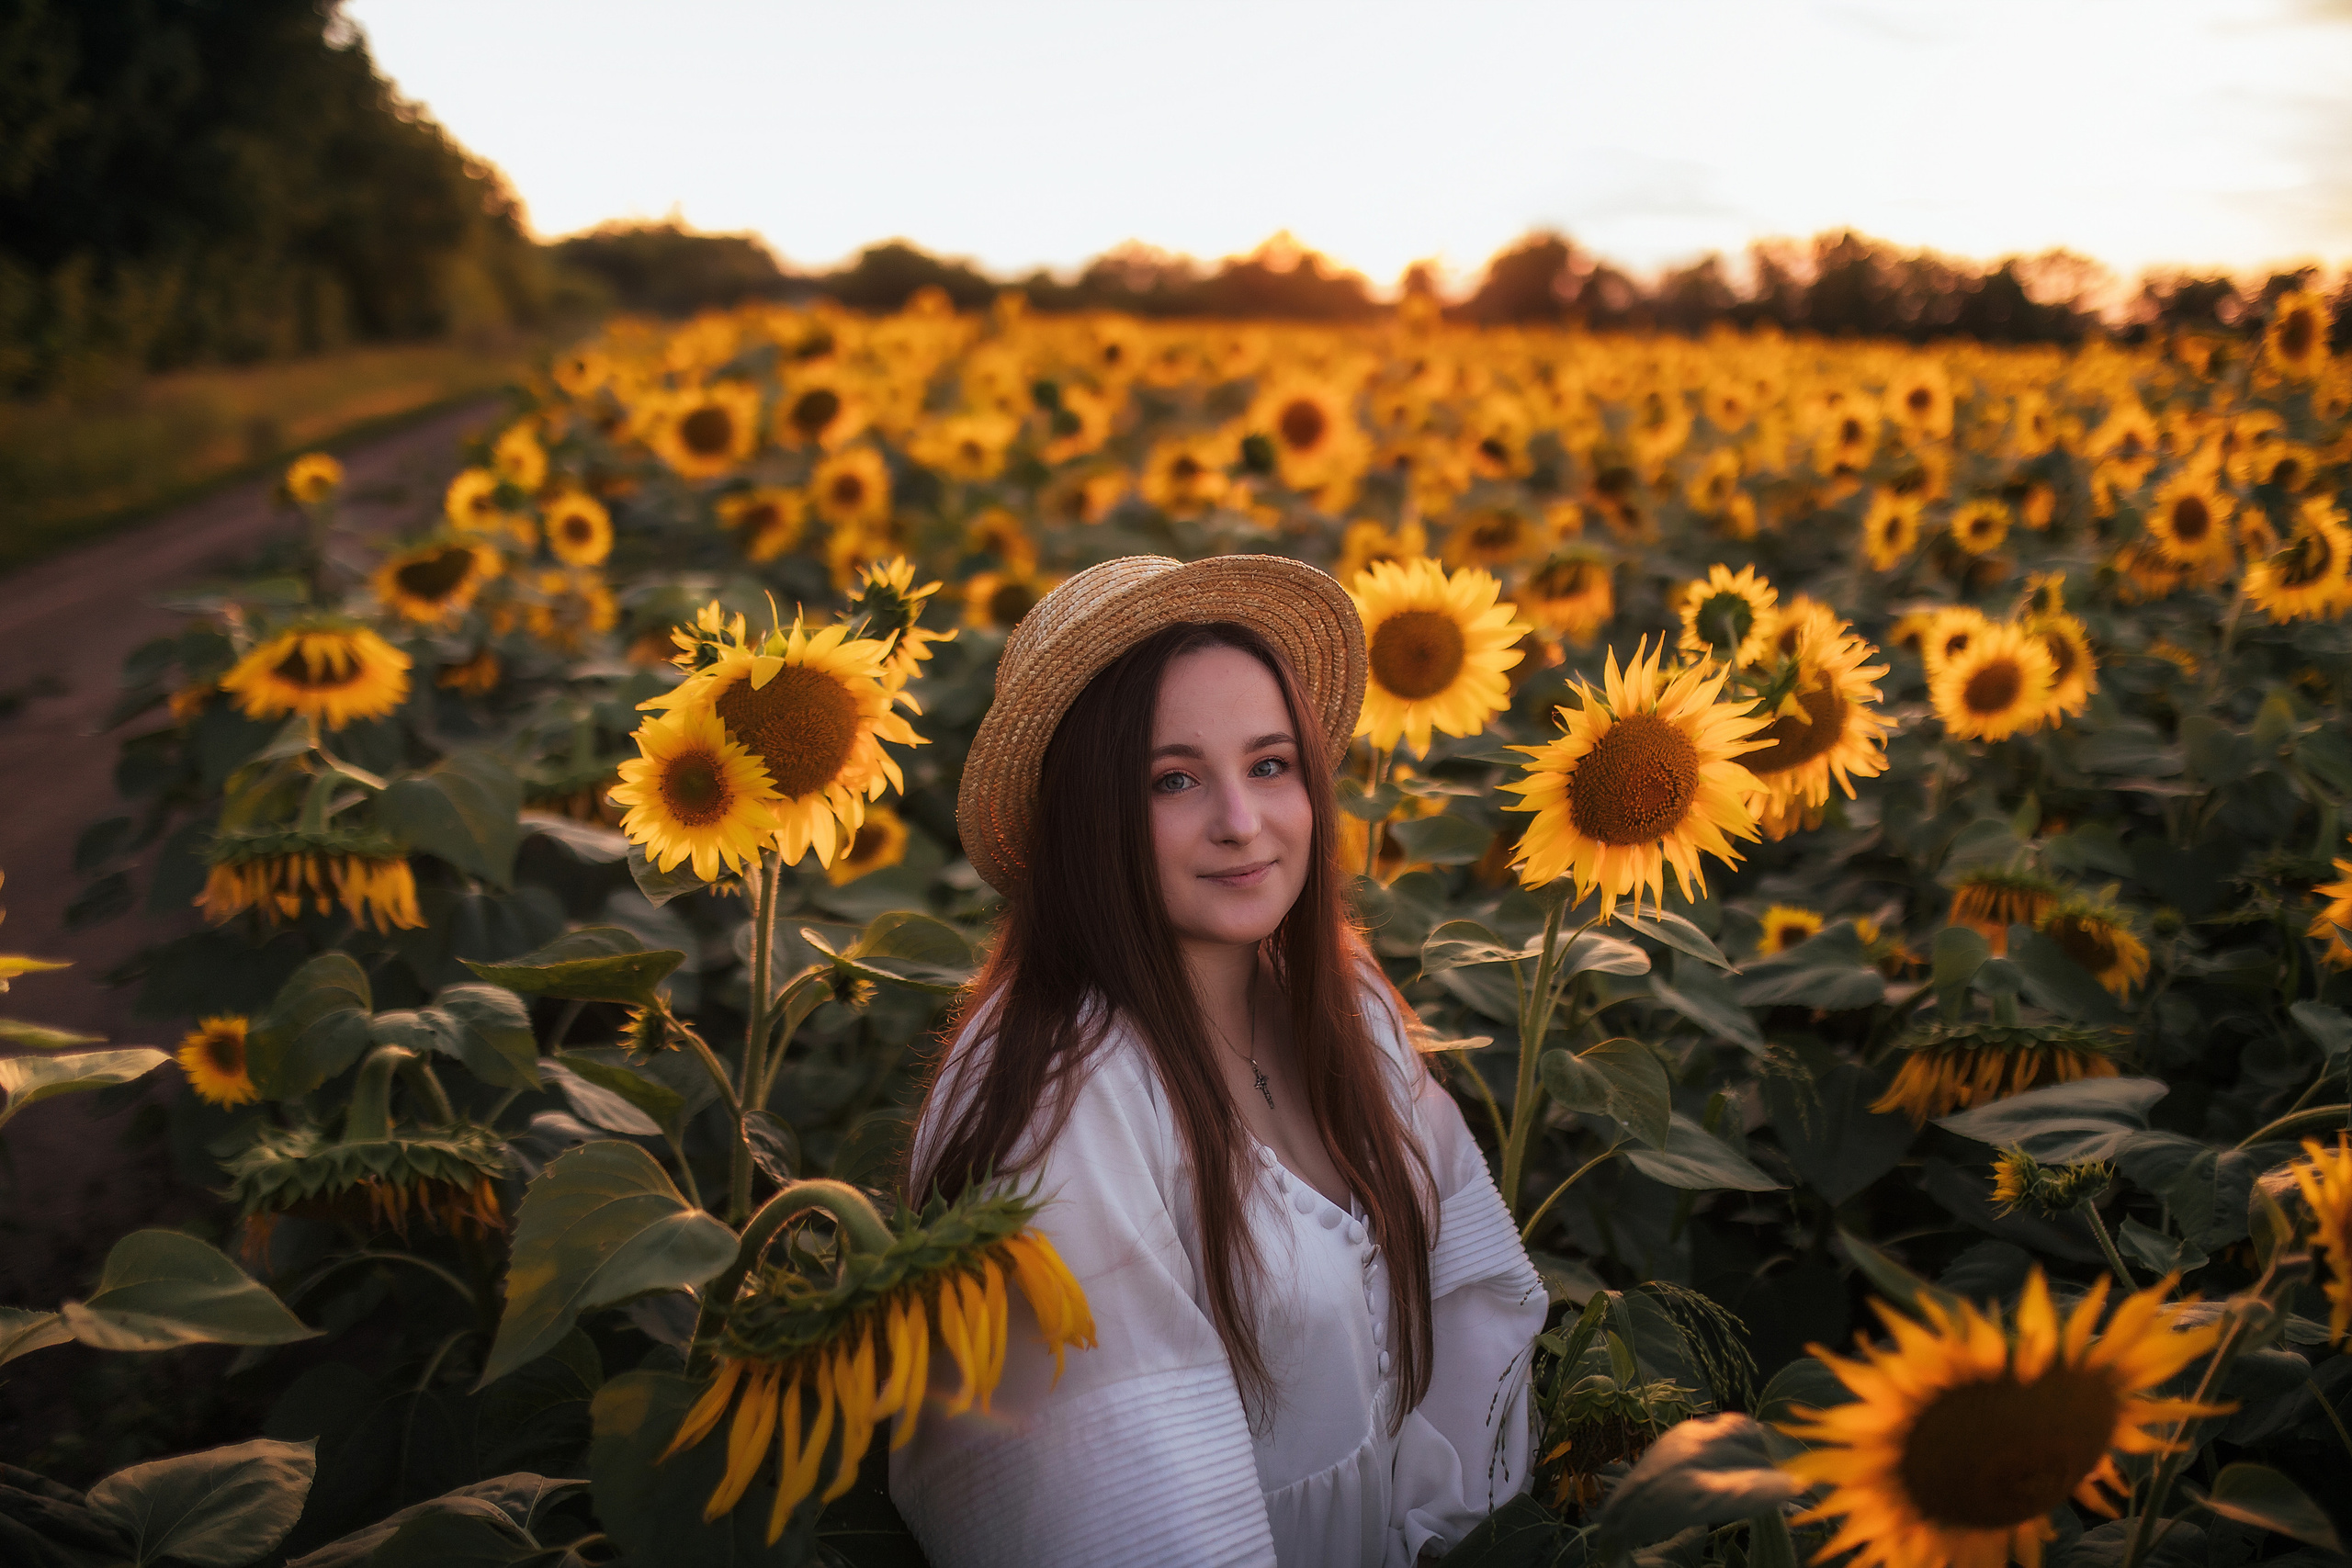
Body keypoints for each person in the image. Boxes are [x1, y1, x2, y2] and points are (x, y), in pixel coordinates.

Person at [891, 554, 1545, 1567]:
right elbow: (1100, 1496)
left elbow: (1470, 1306)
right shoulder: (1065, 1095)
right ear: (1086, 816)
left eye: (1270, 764)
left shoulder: (1347, 1008)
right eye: (1173, 779)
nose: (1241, 823)